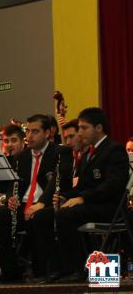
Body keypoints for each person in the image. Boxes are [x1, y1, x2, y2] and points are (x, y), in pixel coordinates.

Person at [0, 114, 72, 281]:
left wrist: (41, 203)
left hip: (46, 204)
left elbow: (58, 180)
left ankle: (42, 271)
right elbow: (15, 183)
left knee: (38, 217)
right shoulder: (23, 157)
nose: (29, 136)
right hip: (24, 204)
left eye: (35, 131)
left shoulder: (60, 152)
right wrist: (11, 198)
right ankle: (11, 271)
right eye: (28, 131)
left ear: (48, 133)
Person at [52, 107, 129, 282]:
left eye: (84, 128)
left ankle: (78, 269)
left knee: (66, 215)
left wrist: (83, 198)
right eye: (79, 128)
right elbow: (82, 186)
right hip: (93, 204)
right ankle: (61, 267)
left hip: (110, 207)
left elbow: (113, 186)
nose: (80, 132)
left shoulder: (114, 150)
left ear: (99, 128)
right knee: (53, 211)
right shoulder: (89, 153)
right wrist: (66, 196)